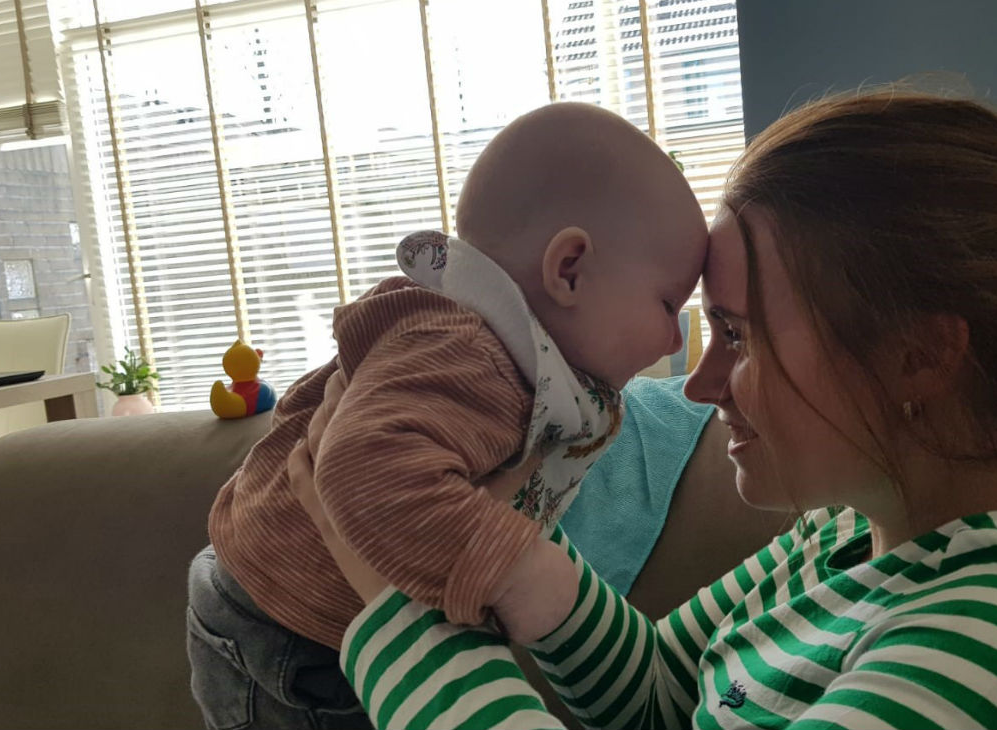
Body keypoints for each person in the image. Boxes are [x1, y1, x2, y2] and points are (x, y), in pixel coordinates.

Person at [296, 87, 997, 729]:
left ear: (918, 357)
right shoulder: (848, 531)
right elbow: (658, 697)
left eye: (737, 335)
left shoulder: (994, 630)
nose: (699, 383)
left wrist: (396, 614)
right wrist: (514, 551)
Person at [187, 102, 709, 729]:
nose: (674, 339)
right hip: (285, 625)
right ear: (569, 269)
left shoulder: (511, 360)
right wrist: (513, 567)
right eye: (668, 303)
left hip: (309, 617)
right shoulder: (467, 351)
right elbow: (361, 471)